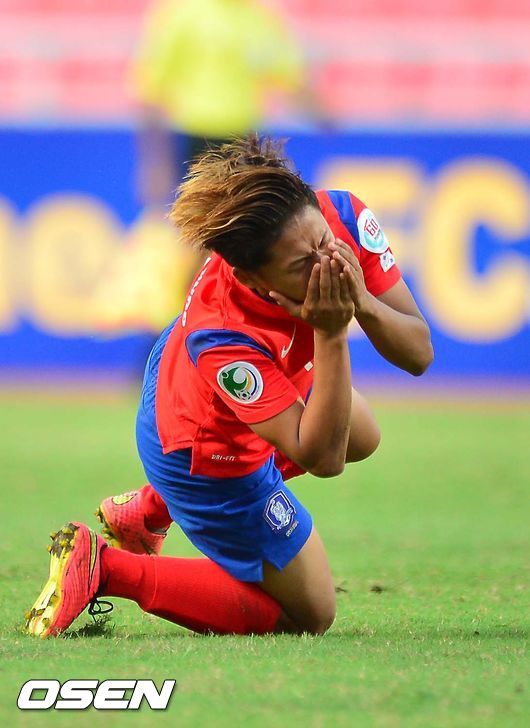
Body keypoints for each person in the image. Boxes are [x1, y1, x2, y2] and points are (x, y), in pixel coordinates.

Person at [25, 137, 433, 638]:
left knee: (362, 434)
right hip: (200, 448)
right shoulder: (223, 334)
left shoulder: (343, 215)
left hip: (208, 376)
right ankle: (104, 567)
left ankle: (150, 507)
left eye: (324, 240)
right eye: (302, 266)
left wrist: (362, 302)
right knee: (312, 614)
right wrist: (330, 332)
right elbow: (322, 460)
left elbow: (418, 353)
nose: (327, 261)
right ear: (255, 281)